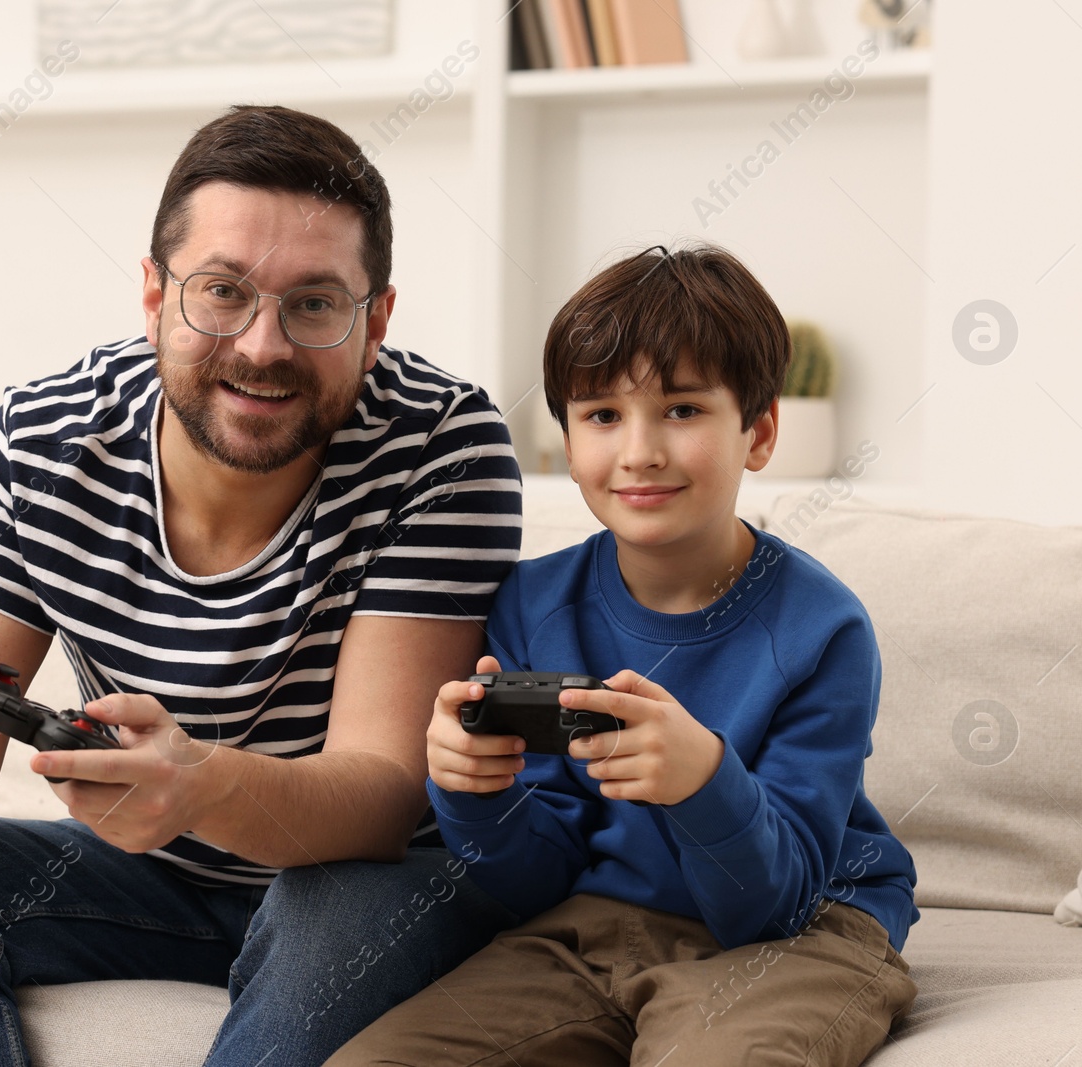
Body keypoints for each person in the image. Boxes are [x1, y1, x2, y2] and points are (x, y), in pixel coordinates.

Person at [0, 104, 524, 1067]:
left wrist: (200, 785)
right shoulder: (42, 441)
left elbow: (383, 794)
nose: (264, 345)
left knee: (337, 903)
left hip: (367, 872)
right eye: (222, 291)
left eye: (315, 304)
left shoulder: (443, 446)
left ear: (377, 322)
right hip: (153, 874)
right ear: (154, 296)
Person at [328, 245, 920, 1067]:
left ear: (759, 430)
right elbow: (535, 878)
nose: (639, 450)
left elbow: (770, 906)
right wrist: (471, 790)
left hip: (804, 927)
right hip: (589, 921)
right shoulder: (532, 605)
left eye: (681, 409)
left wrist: (704, 782)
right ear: (567, 443)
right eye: (602, 415)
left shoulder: (823, 629)